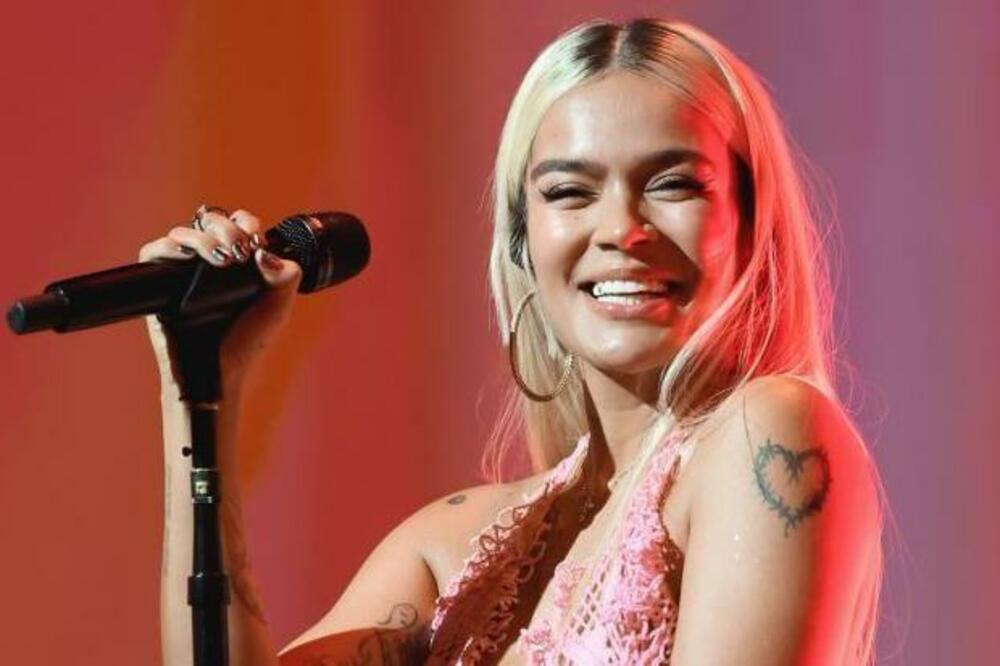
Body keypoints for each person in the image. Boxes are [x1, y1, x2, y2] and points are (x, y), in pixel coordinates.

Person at [141, 17, 883, 665]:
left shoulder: (766, 436)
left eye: (673, 184)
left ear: (750, 221)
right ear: (523, 246)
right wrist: (202, 385)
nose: (622, 231)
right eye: (569, 192)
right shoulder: (452, 547)